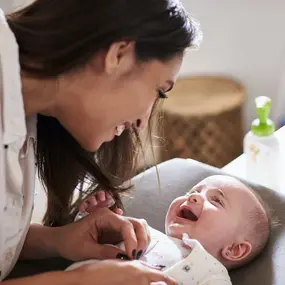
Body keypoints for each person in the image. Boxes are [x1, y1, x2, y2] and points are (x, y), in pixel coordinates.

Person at [0, 0, 201, 284]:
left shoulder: (27, 116)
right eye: (159, 91)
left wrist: (58, 241)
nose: (144, 121)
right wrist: (77, 281)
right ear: (118, 54)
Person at [69, 175, 271, 285]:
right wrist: (99, 217)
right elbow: (91, 245)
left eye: (216, 200)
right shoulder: (145, 232)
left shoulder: (212, 273)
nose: (193, 197)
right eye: (193, 191)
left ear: (234, 249)